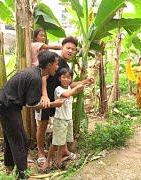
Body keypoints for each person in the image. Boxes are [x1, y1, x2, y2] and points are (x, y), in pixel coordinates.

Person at [0, 51, 65, 179]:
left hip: (9, 104)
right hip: (6, 105)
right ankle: (23, 174)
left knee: (12, 136)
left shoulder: (36, 73)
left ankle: (9, 167)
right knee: (21, 140)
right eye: (56, 64)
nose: (57, 67)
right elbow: (31, 105)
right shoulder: (35, 78)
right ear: (49, 65)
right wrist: (53, 104)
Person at [36, 36, 94, 165]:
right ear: (62, 47)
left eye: (73, 49)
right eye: (68, 48)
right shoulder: (54, 59)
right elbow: (43, 76)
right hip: (45, 98)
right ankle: (40, 152)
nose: (70, 51)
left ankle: (64, 150)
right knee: (43, 124)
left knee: (61, 125)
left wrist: (84, 82)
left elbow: (69, 85)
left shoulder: (65, 65)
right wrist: (44, 95)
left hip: (59, 100)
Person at [41, 68, 85, 172]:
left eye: (68, 77)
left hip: (68, 119)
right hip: (60, 120)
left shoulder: (69, 87)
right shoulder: (58, 89)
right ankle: (47, 162)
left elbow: (72, 91)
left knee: (62, 142)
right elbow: (66, 95)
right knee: (55, 142)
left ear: (71, 79)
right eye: (63, 77)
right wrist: (76, 88)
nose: (66, 79)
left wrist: (85, 83)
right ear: (59, 78)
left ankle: (58, 161)